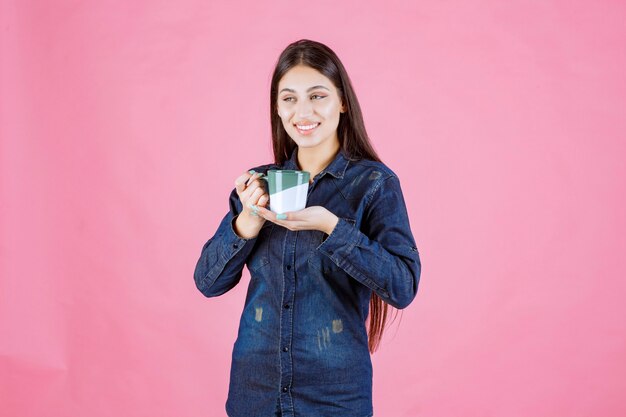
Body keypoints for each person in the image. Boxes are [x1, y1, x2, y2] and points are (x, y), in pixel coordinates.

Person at [193, 39, 421, 417]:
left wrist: (333, 227)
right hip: (255, 394)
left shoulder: (374, 185)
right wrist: (247, 219)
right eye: (289, 98)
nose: (303, 111)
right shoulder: (259, 185)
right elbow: (207, 282)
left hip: (334, 397)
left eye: (317, 96)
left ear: (342, 102)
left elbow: (403, 286)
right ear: (277, 108)